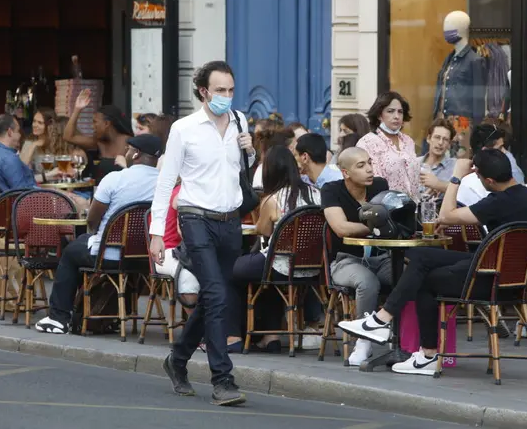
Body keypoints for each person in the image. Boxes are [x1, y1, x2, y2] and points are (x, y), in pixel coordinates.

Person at [338, 149, 527, 375]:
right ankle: (382, 321)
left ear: (489, 181)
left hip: (490, 279)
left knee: (424, 278)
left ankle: (423, 352)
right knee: (421, 256)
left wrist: (456, 176)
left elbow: (446, 215)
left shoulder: (498, 201)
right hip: (511, 277)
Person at [149, 60, 254, 406]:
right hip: (195, 218)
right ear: (204, 91)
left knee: (212, 298)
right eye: (220, 90)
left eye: (231, 90)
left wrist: (251, 150)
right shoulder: (184, 128)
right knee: (217, 295)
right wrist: (156, 234)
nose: (226, 96)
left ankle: (177, 360)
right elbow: (166, 183)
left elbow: (243, 173)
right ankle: (222, 378)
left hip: (230, 220)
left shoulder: (240, 121)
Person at [35, 134, 163, 334]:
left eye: (129, 149)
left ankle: (59, 317)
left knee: (70, 253)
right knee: (82, 244)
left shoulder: (115, 178)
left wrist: (98, 231)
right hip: (146, 258)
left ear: (136, 154)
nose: (126, 153)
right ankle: (96, 315)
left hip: (110, 255)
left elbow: (92, 220)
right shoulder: (164, 183)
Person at [227, 145, 321, 353]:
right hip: (312, 269)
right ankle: (270, 336)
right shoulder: (317, 194)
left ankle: (233, 335)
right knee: (266, 278)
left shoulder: (273, 199)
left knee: (230, 272)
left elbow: (262, 230)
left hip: (281, 264)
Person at [321, 147, 392, 366]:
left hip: (381, 257)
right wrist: (375, 226)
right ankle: (363, 342)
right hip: (345, 260)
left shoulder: (380, 186)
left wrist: (372, 226)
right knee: (367, 281)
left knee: (408, 274)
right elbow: (341, 228)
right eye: (361, 166)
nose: (369, 169)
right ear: (345, 173)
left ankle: (405, 340)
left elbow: (391, 220)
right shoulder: (332, 190)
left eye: (369, 162)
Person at [357, 92, 420, 202]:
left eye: (400, 112)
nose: (396, 116)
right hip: (384, 208)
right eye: (390, 111)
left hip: (413, 207)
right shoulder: (367, 142)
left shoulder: (408, 141)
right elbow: (373, 182)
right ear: (379, 115)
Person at [63, 90, 133, 183]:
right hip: (99, 192)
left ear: (106, 123)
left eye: (95, 122)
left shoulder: (129, 143)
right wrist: (77, 109)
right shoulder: (99, 142)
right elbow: (68, 137)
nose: (92, 126)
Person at [152, 182, 200, 308]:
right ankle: (195, 324)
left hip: (186, 249)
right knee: (188, 275)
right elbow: (185, 232)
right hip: (168, 251)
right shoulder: (184, 191)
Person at [456, 123, 525, 206]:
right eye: (499, 148)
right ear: (485, 151)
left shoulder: (504, 176)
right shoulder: (469, 185)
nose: (504, 152)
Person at [418, 118, 457, 197]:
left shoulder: (455, 166)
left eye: (445, 139)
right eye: (437, 137)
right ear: (429, 138)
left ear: (449, 144)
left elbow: (464, 191)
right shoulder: (414, 163)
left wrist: (438, 185)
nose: (440, 143)